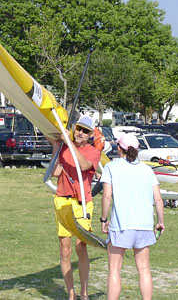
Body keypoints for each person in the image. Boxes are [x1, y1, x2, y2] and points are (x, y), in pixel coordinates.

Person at [100, 134, 165, 300]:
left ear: (119, 149)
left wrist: (103, 218)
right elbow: (158, 198)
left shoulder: (111, 167)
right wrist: (160, 222)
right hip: (144, 225)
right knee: (144, 269)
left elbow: (107, 195)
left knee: (114, 269)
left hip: (121, 225)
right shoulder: (146, 169)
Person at [48, 116, 101, 300]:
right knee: (65, 249)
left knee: (81, 247)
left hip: (82, 203)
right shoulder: (64, 148)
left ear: (90, 135)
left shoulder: (93, 152)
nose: (80, 133)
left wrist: (69, 143)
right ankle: (71, 294)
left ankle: (84, 293)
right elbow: (55, 172)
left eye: (85, 131)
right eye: (78, 129)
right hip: (63, 200)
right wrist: (57, 145)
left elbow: (85, 165)